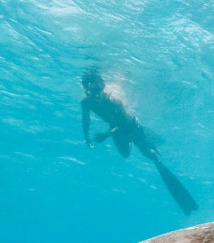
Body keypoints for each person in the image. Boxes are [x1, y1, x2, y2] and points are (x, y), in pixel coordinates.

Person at [80, 67, 199, 215]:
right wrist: (87, 137)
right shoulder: (86, 103)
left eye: (97, 90)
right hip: (116, 130)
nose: (95, 95)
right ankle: (142, 143)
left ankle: (153, 153)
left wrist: (106, 135)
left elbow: (123, 123)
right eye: (91, 90)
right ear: (87, 89)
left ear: (102, 86)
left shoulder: (114, 100)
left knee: (150, 155)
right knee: (125, 154)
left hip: (131, 126)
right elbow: (86, 120)